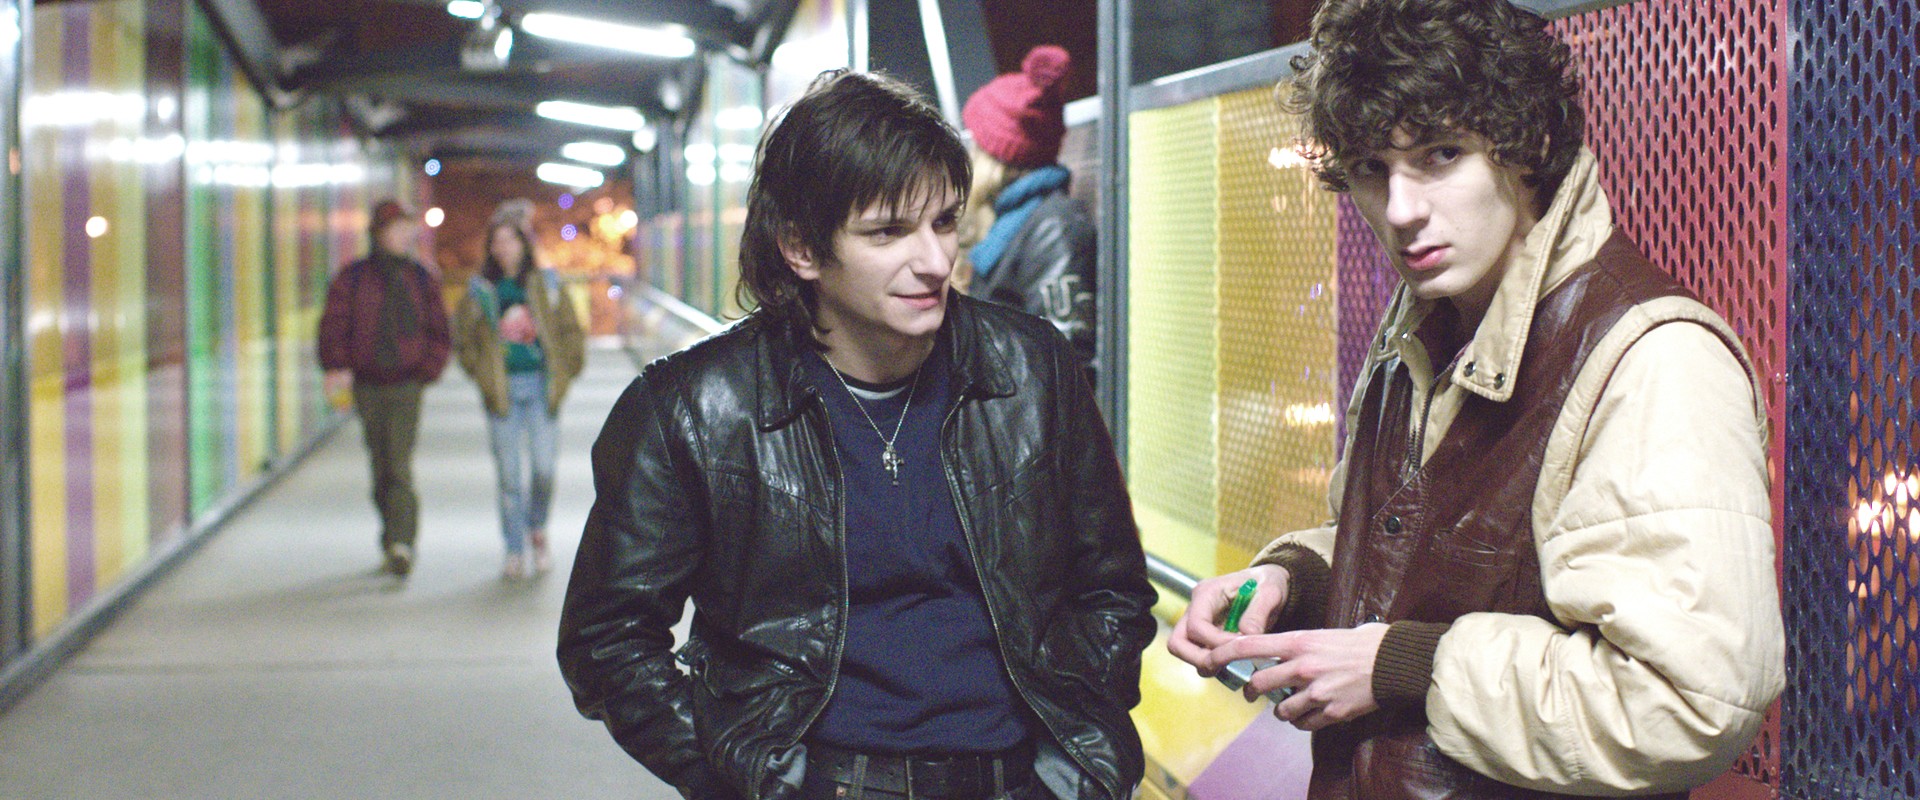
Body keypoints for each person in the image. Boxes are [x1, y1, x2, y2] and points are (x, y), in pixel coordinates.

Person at [1165, 1, 1785, 797]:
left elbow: (1686, 703)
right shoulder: (1427, 320)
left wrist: (1406, 666)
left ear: (1526, 149)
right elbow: (1429, 545)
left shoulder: (1655, 359)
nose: (1401, 210)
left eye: (1442, 154)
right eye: (1371, 167)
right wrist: (1296, 580)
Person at [558, 70, 1155, 800]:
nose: (934, 262)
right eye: (888, 232)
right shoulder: (695, 409)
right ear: (802, 249)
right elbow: (607, 639)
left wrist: (1070, 775)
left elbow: (1113, 588)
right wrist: (740, 777)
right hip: (822, 782)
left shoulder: (1031, 369)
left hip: (1016, 780)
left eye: (944, 222)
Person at [318, 199, 452, 577]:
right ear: (379, 234)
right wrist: (337, 365)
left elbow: (440, 330)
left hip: (407, 384)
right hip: (368, 384)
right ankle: (391, 535)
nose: (403, 236)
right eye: (396, 229)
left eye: (407, 229)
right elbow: (334, 325)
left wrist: (428, 369)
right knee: (380, 465)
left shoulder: (421, 278)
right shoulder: (353, 279)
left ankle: (402, 543)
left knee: (398, 463)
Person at [453, 203, 586, 579]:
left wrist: (566, 372)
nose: (504, 248)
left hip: (541, 388)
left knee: (543, 469)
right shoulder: (481, 289)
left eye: (511, 240)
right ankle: (514, 548)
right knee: (509, 476)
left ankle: (537, 528)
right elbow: (463, 338)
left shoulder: (546, 284)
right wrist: (481, 374)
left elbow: (570, 330)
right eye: (497, 241)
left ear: (524, 245)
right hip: (503, 391)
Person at [957, 45, 1098, 377]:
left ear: (996, 157)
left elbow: (1066, 362)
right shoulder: (1012, 221)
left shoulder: (1057, 228)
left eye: (977, 143)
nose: (970, 153)